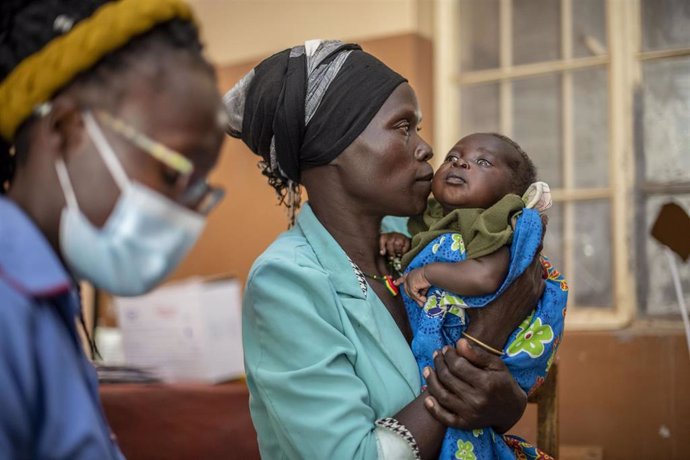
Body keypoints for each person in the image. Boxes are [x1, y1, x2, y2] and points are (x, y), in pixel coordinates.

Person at [225, 40, 546, 460]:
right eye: (402, 126)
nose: (426, 148)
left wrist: (505, 399)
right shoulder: (286, 282)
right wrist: (485, 337)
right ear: (333, 144)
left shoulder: (427, 245)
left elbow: (491, 409)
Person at [0, 0, 226, 457]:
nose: (182, 212)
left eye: (199, 187)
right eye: (171, 173)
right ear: (66, 130)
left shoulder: (50, 303)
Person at [381, 133, 567, 459]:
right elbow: (427, 247)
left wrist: (428, 273)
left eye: (482, 162)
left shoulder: (496, 219)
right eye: (453, 157)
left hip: (472, 355)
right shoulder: (435, 218)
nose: (460, 163)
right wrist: (403, 244)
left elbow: (485, 275)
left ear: (510, 194)